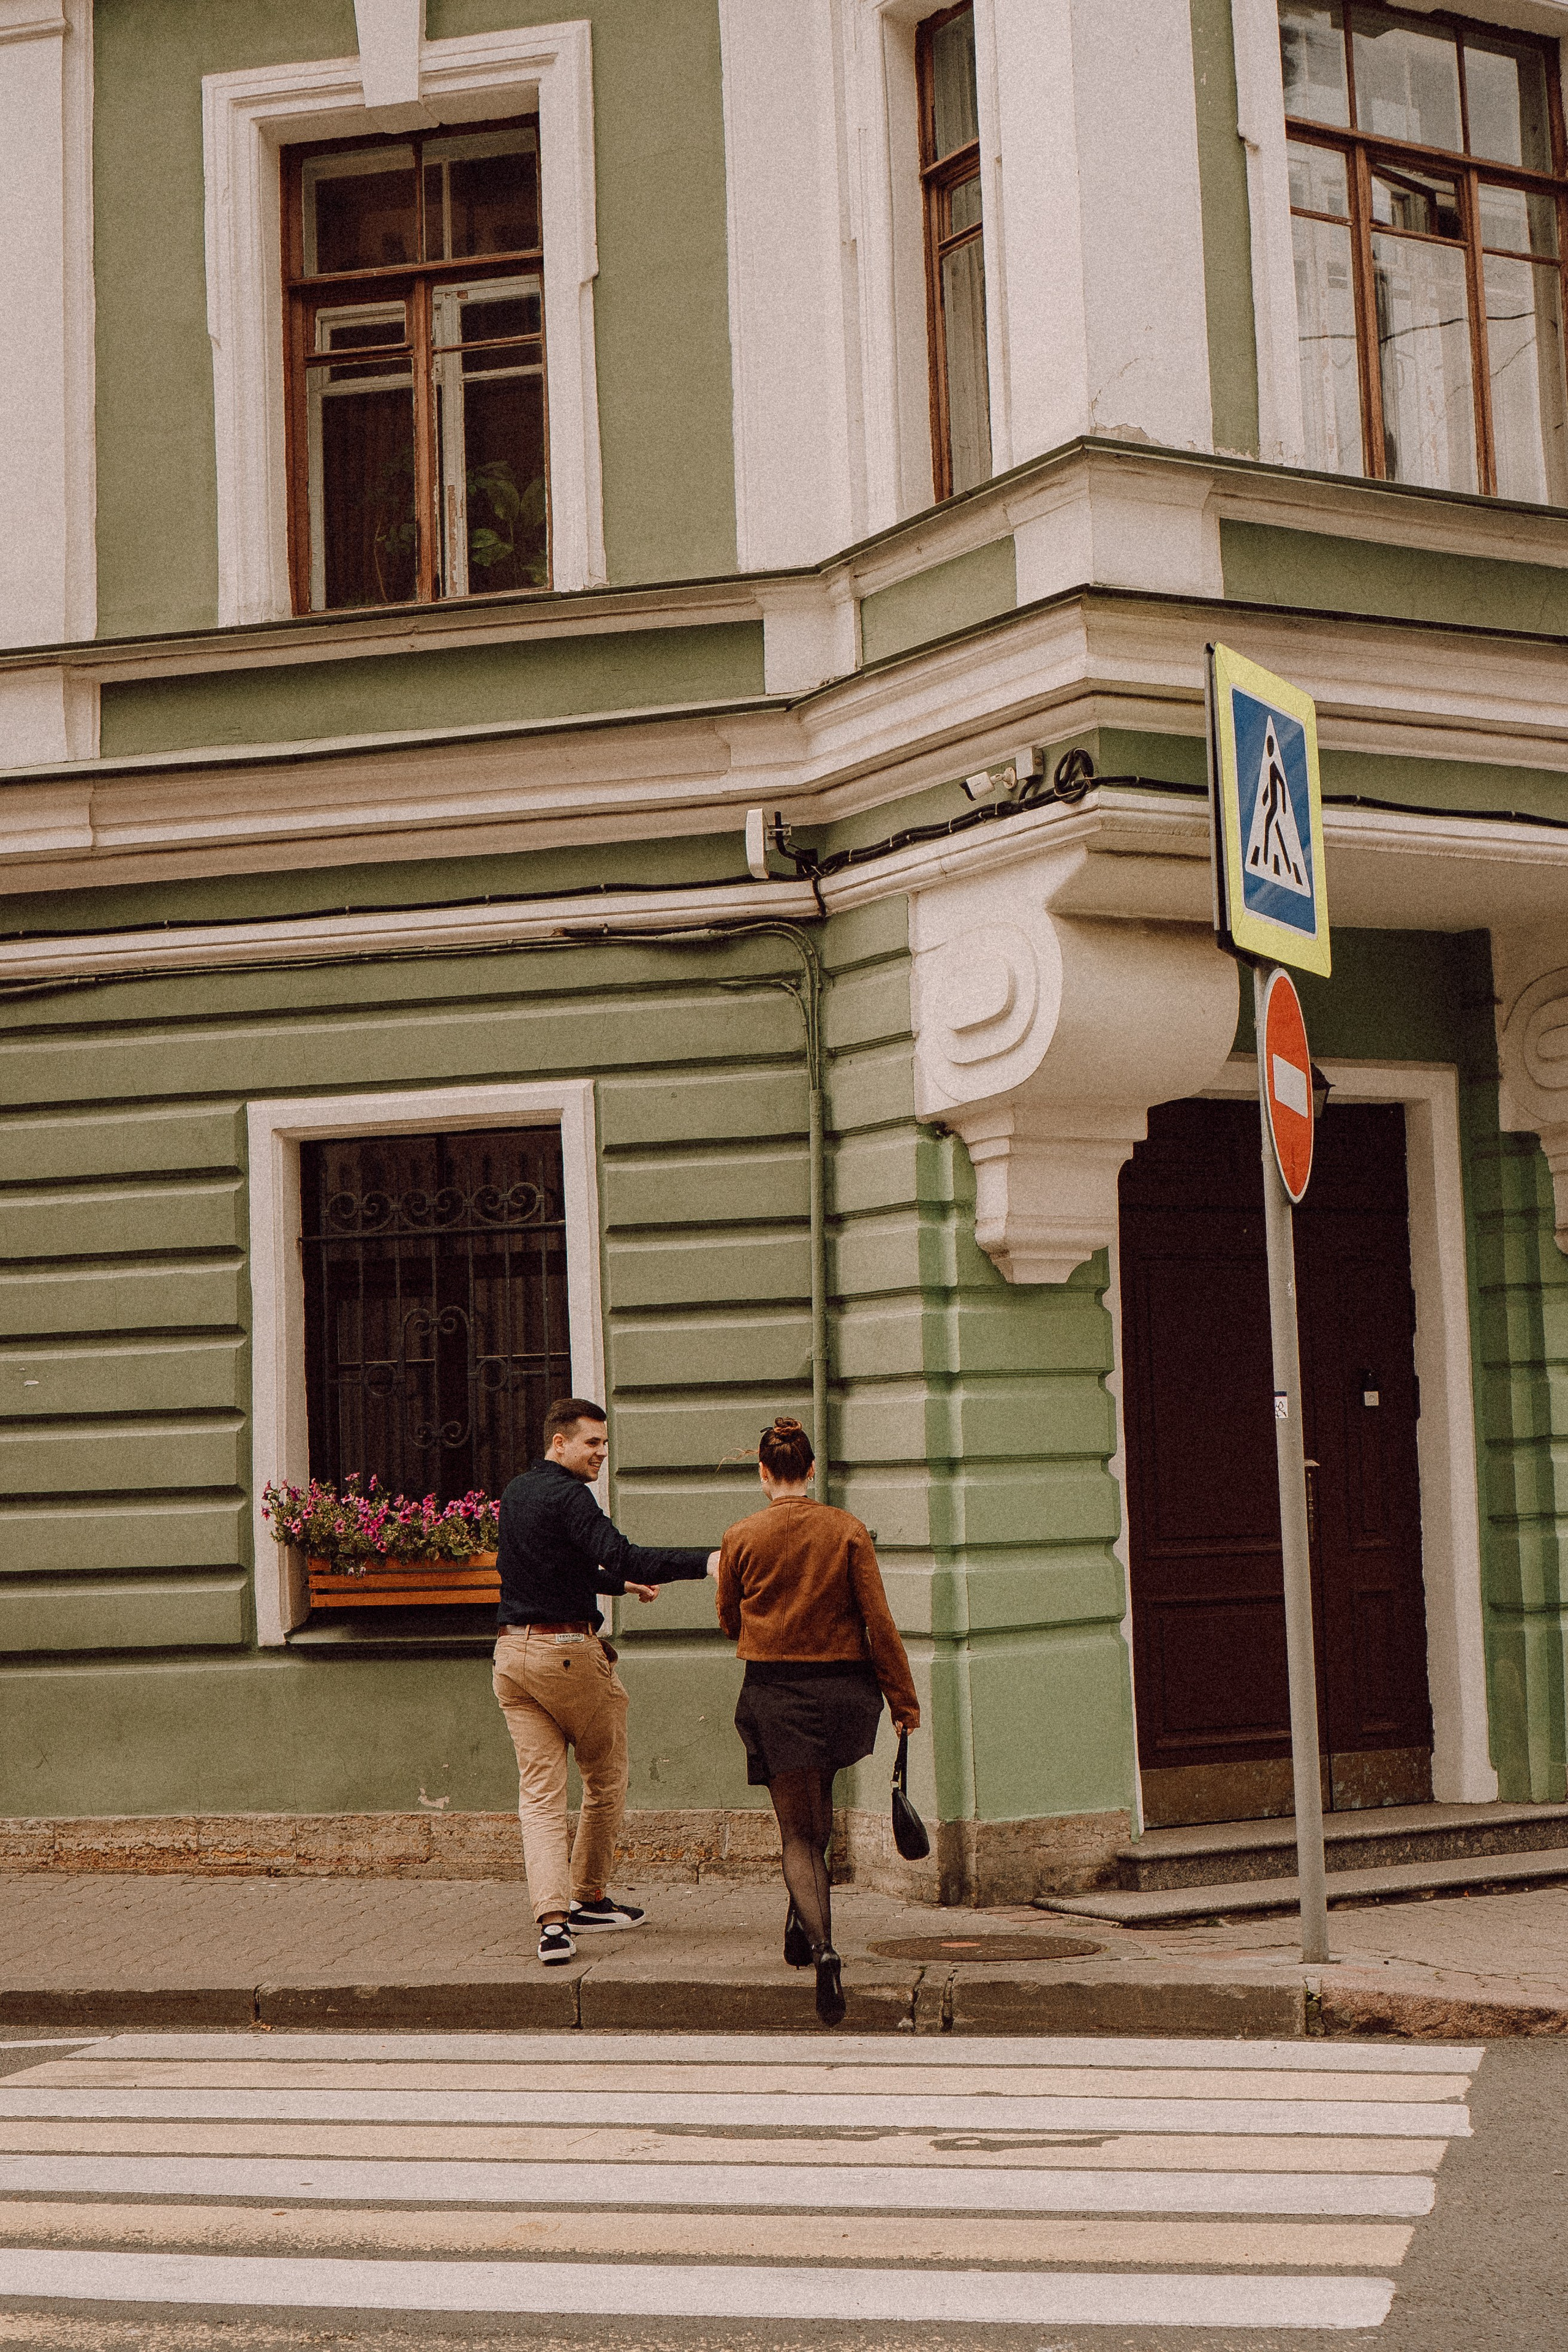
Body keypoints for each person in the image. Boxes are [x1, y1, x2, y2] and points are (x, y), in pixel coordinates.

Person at [493, 1397, 718, 1966]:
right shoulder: (573, 1496)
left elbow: (556, 1568)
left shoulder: (517, 1493)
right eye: (592, 1443)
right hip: (566, 1655)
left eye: (604, 1443)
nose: (601, 1453)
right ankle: (588, 1896)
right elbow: (624, 1554)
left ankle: (553, 1927)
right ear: (560, 1442)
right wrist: (712, 1561)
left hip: (511, 1659)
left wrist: (618, 1588)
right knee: (605, 1778)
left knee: (540, 1799)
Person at [715, 1415, 920, 2026]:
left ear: (762, 1473)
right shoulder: (847, 1531)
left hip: (777, 1692)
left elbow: (730, 1620)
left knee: (798, 1833)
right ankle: (801, 1926)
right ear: (809, 1470)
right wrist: (903, 1703)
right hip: (844, 1693)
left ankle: (824, 1946)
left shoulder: (741, 1537)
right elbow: (878, 1624)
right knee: (818, 1805)